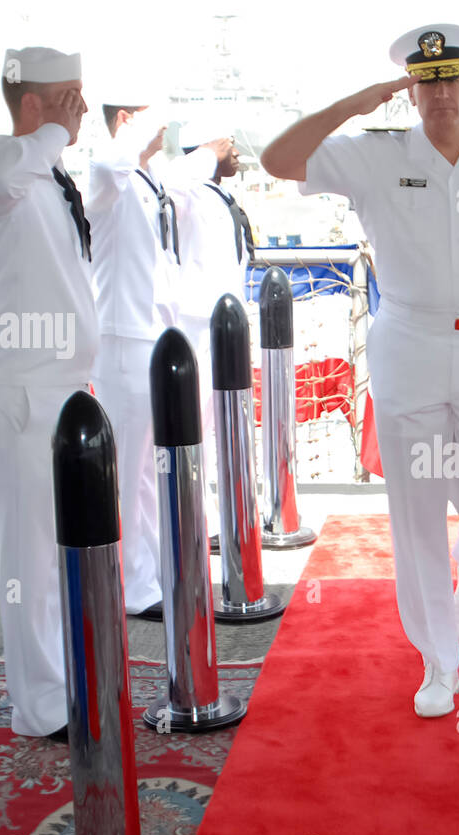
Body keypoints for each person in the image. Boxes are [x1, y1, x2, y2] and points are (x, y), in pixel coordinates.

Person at [260, 23, 459, 718]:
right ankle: (438, 659)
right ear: (410, 90)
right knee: (417, 508)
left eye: (448, 79)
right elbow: (278, 159)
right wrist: (354, 105)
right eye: (424, 82)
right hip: (410, 345)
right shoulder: (374, 156)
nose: (438, 94)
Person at [0, 47, 96, 739]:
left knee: (57, 552)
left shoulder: (47, 176)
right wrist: (51, 131)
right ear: (34, 104)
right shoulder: (3, 164)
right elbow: (12, 164)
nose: (81, 109)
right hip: (22, 391)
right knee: (30, 556)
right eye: (68, 97)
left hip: (61, 387)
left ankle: (61, 682)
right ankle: (40, 708)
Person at [85, 91, 178, 621]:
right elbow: (104, 163)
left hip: (150, 336)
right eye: (152, 121)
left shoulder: (146, 181)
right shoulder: (110, 180)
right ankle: (131, 586)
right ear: (127, 120)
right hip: (121, 340)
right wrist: (140, 126)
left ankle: (154, 575)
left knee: (148, 470)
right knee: (128, 471)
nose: (164, 131)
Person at [166, 130, 249, 540]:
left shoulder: (217, 194)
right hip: (197, 326)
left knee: (224, 425)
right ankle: (200, 518)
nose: (236, 151)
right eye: (228, 143)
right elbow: (171, 182)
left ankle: (228, 512)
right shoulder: (188, 192)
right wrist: (203, 156)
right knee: (195, 427)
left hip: (226, 328)